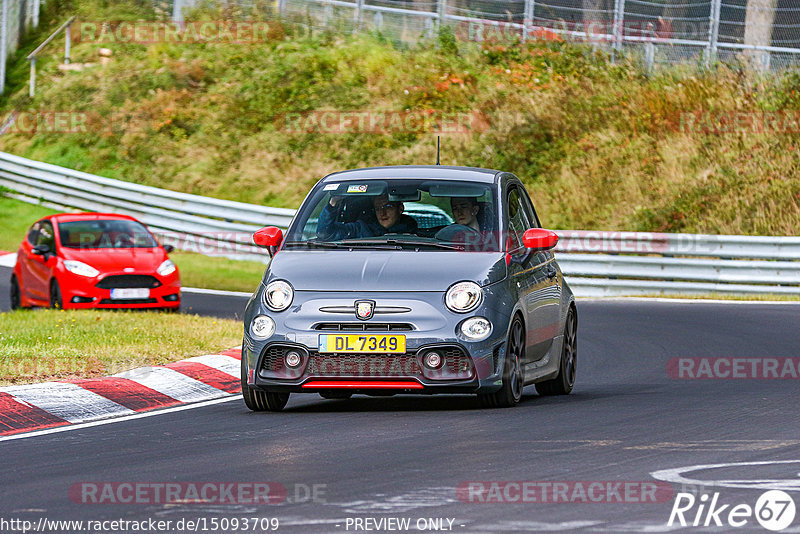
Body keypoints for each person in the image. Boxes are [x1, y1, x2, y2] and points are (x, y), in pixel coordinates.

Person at [316, 194, 417, 240]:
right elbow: (324, 233)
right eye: (378, 208)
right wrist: (333, 203)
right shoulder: (361, 229)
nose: (382, 213)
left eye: (388, 206)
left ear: (400, 209)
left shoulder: (418, 235)